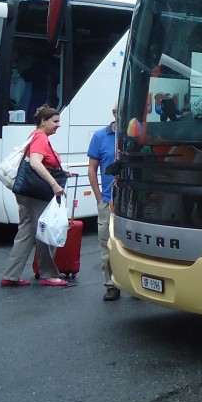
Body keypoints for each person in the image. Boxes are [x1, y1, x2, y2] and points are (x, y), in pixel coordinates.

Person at [1, 106, 70, 287]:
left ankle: (11, 275)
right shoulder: (41, 138)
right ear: (43, 122)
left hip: (25, 192)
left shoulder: (34, 136)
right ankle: (48, 274)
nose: (58, 125)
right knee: (45, 231)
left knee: (25, 231)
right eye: (55, 121)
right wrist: (55, 184)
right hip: (37, 194)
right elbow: (36, 163)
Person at [88, 107, 119, 301]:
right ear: (114, 112)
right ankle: (111, 285)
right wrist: (99, 197)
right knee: (106, 244)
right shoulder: (100, 136)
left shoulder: (137, 133)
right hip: (108, 201)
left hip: (132, 203)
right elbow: (92, 169)